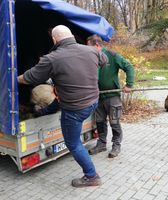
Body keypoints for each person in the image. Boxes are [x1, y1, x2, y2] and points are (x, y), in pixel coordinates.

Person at [17, 25, 107, 188]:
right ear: (71, 35)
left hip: (74, 109)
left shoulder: (52, 58)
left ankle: (91, 175)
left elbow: (30, 77)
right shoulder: (92, 51)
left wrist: (14, 78)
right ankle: (44, 111)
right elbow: (104, 60)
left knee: (73, 143)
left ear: (54, 39)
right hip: (93, 101)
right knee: (58, 100)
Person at [86, 34, 134, 158]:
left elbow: (129, 67)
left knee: (114, 122)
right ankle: (101, 144)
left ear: (97, 45)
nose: (87, 50)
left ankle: (116, 145)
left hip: (112, 96)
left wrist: (129, 84)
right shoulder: (90, 57)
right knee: (100, 122)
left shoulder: (112, 56)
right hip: (97, 96)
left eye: (89, 47)